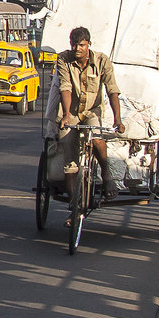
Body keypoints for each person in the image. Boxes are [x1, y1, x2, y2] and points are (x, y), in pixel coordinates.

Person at [54, 26, 126, 201]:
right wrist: (66, 115)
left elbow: (112, 89)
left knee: (97, 139)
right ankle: (74, 201)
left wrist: (118, 119)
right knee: (68, 152)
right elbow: (65, 86)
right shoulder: (63, 59)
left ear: (89, 44)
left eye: (81, 45)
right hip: (71, 112)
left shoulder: (102, 61)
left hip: (92, 111)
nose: (77, 49)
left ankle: (106, 174)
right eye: (74, 45)